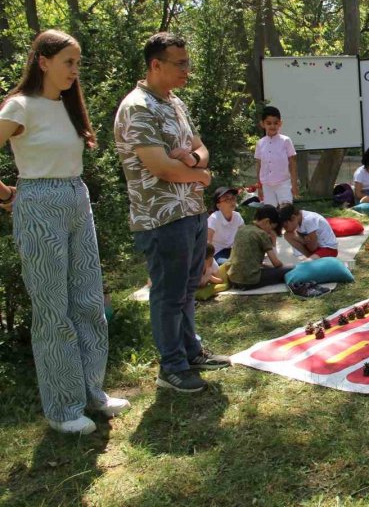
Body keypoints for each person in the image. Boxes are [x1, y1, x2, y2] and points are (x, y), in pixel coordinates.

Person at [0, 30, 129, 434]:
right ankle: (62, 408)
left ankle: (92, 392)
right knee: (53, 309)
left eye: (78, 63)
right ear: (43, 61)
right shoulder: (20, 106)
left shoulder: (67, 106)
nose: (75, 70)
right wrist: (4, 192)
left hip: (76, 197)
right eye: (68, 62)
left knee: (88, 302)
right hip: (39, 203)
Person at [114, 31, 230, 394]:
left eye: (187, 63)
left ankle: (190, 352)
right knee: (167, 293)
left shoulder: (174, 102)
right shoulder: (137, 107)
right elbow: (160, 167)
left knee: (186, 289)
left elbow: (199, 147)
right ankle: (172, 367)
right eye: (180, 64)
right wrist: (201, 174)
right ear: (155, 65)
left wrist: (195, 161)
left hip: (191, 212)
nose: (187, 70)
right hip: (161, 218)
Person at [228, 205, 292, 289]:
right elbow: (276, 263)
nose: (270, 231)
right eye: (272, 228)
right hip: (250, 281)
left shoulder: (242, 229)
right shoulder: (262, 234)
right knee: (291, 268)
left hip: (233, 279)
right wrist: (285, 267)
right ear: (267, 221)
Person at [255, 106, 299, 206]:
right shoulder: (260, 143)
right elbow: (259, 166)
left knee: (286, 210)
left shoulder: (286, 141)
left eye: (276, 123)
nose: (272, 126)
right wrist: (259, 187)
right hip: (266, 185)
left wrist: (294, 184)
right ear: (262, 124)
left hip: (283, 183)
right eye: (269, 123)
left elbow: (292, 163)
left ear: (280, 123)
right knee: (270, 212)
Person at [207, 186, 244, 264]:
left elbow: (245, 235)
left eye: (233, 198)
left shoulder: (237, 216)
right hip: (217, 253)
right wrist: (208, 261)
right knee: (232, 265)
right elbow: (207, 242)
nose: (232, 201)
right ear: (218, 205)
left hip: (232, 251)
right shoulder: (214, 218)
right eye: (227, 199)